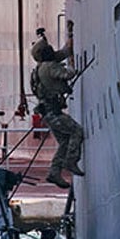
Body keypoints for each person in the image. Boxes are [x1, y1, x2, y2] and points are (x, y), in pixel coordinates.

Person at [30, 28, 84, 188]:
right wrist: (73, 63)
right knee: (76, 131)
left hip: (48, 112)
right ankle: (71, 162)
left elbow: (63, 52)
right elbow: (69, 74)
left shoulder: (42, 67)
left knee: (65, 141)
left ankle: (54, 173)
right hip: (53, 112)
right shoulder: (50, 67)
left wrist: (70, 34)